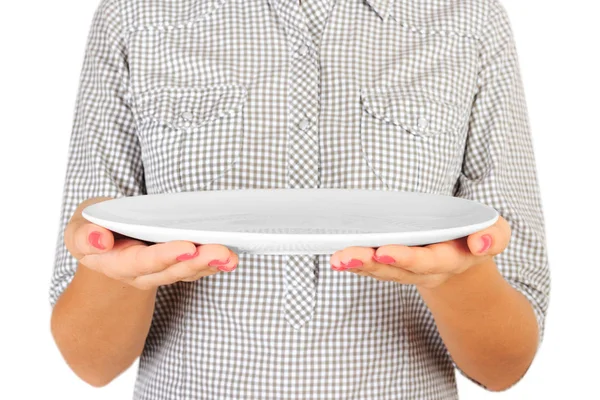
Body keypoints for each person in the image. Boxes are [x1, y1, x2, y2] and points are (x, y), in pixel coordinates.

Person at [49, 0, 551, 398]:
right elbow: (91, 365)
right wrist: (108, 268)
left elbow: (506, 366)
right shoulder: (135, 16)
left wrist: (459, 275)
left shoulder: (468, 20)